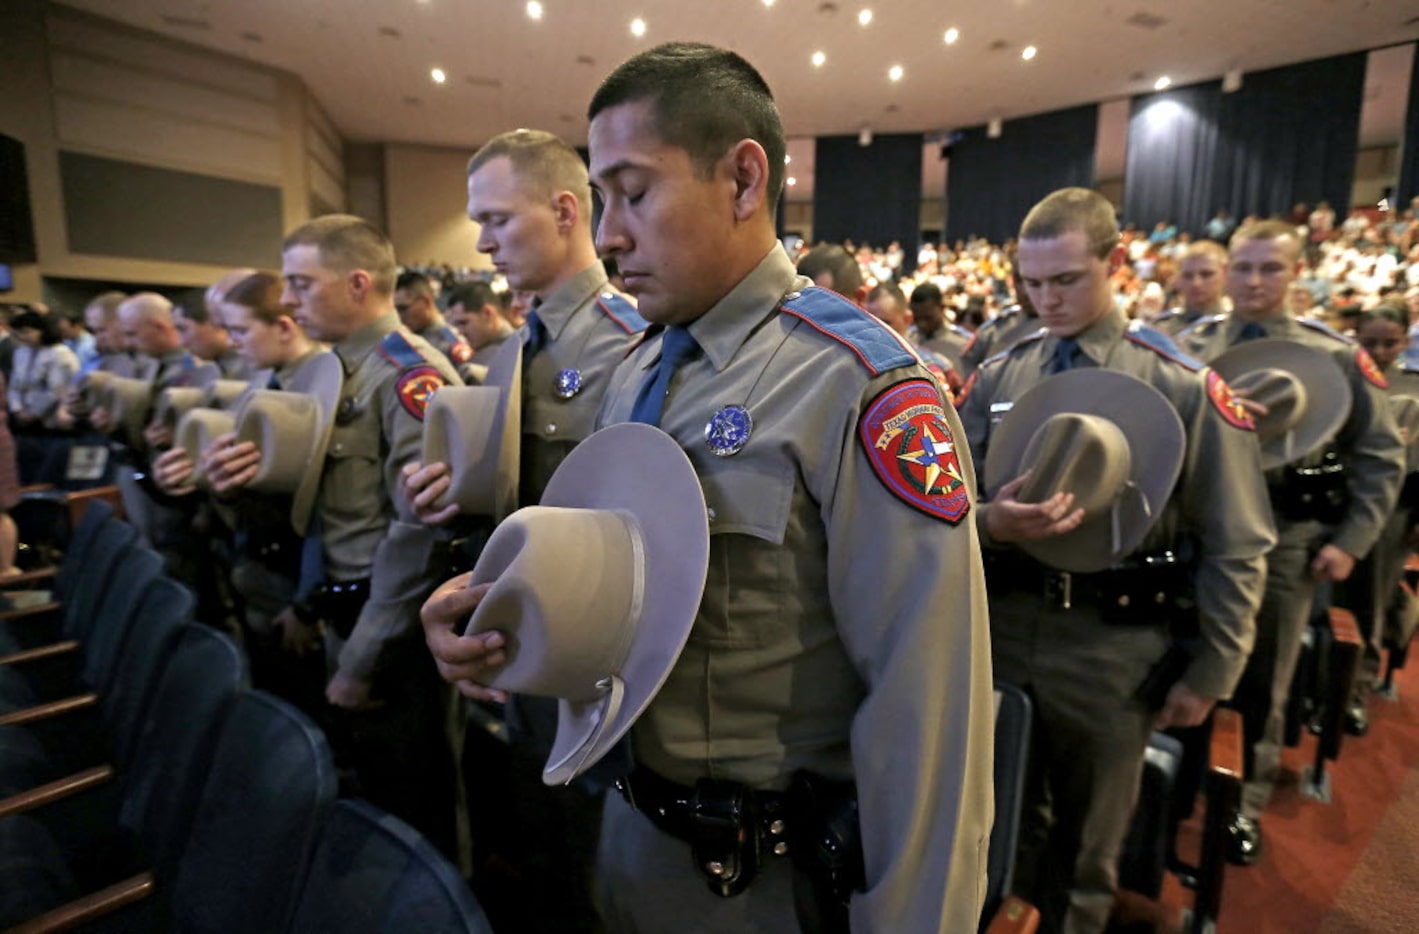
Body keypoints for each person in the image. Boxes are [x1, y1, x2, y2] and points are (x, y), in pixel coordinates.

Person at [421, 42, 994, 933]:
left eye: (634, 191)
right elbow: (616, 608)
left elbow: (927, 704)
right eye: (602, 200)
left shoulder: (858, 385)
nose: (608, 235)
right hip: (626, 833)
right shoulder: (634, 366)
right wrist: (494, 629)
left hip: (762, 878)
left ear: (741, 179)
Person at [958, 187, 1274, 934]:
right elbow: (944, 504)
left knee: (1088, 846)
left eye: (1064, 280)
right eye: (1030, 284)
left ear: (1116, 261)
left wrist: (1211, 673)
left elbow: (1236, 542)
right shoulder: (1003, 373)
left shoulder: (1181, 384)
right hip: (1004, 624)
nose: (1046, 300)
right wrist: (988, 523)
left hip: (1111, 647)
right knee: (994, 826)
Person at [404, 128, 648, 934]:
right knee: (538, 853)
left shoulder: (633, 345)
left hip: (599, 667)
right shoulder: (510, 356)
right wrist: (443, 499)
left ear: (566, 210)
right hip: (523, 656)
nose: (480, 243)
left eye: (497, 220)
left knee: (590, 876)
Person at [1176, 219, 1404, 863]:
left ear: (1295, 272)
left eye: (1269, 268)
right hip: (1199, 531)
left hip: (1285, 538)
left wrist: (1353, 539)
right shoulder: (1191, 344)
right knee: (1188, 663)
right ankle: (1183, 788)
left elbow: (1380, 456)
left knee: (1261, 676)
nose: (1253, 281)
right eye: (1243, 267)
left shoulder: (1332, 355)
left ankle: (1239, 801)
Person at [277, 214, 463, 856]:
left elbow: (418, 538)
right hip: (343, 606)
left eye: (301, 284)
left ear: (357, 283)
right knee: (373, 791)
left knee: (411, 808)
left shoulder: (410, 377)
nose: (287, 301)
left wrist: (361, 657)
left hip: (390, 628)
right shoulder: (335, 371)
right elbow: (327, 509)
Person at [7, 310, 80, 431]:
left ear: (44, 331)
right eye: (19, 333)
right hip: (21, 418)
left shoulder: (60, 353)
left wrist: (33, 414)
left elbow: (56, 390)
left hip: (50, 420)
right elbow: (14, 385)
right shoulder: (21, 352)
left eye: (27, 332)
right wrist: (17, 409)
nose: (22, 337)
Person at [394, 270, 475, 372]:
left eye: (403, 308)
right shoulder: (408, 335)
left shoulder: (449, 343)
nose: (399, 316)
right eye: (395, 310)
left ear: (426, 301)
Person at [443, 279, 515, 382]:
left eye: (464, 323)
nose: (460, 332)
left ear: (487, 313)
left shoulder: (515, 353)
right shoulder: (482, 348)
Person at [1153, 240, 1227, 337]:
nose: (1196, 283)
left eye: (1206, 274)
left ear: (1226, 274)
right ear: (1177, 279)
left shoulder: (1235, 330)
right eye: (1187, 276)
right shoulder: (1159, 328)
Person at [173, 287, 250, 380]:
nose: (182, 342)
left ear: (214, 321)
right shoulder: (224, 368)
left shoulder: (252, 371)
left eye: (183, 329)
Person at [908, 280, 972, 373]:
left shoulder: (963, 343)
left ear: (941, 308)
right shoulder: (908, 341)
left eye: (928, 318)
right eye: (917, 319)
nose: (922, 324)